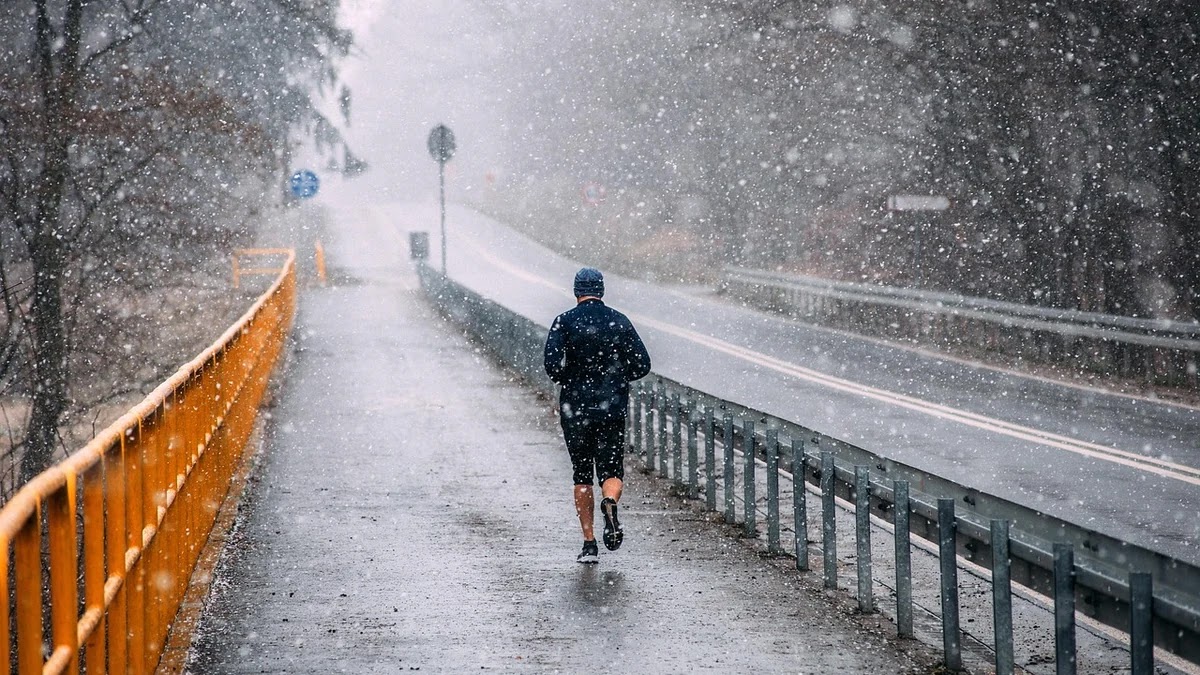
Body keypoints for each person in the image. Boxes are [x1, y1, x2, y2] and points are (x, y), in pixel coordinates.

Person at [544, 268, 651, 564]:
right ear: (601, 290)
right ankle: (610, 501)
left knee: (581, 473)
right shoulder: (619, 320)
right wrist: (617, 379)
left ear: (576, 291)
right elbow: (642, 363)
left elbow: (551, 365)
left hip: (575, 409)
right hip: (611, 408)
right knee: (611, 470)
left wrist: (571, 379)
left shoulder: (564, 321)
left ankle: (589, 543)